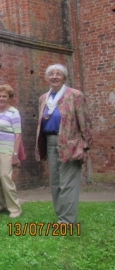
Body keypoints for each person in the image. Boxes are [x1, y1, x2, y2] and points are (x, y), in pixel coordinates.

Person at [36, 64, 92, 224]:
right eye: (51, 74)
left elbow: (85, 122)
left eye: (58, 74)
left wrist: (86, 145)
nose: (54, 76)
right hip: (50, 142)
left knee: (68, 183)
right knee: (55, 183)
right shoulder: (43, 98)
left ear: (64, 77)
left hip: (70, 143)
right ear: (47, 78)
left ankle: (68, 221)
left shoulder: (75, 95)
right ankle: (61, 217)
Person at [0, 84, 22, 218]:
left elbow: (18, 135)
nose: (1, 98)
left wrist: (15, 154)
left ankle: (14, 208)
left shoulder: (14, 112)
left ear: (10, 98)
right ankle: (0, 204)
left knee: (5, 177)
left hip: (7, 150)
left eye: (4, 96)